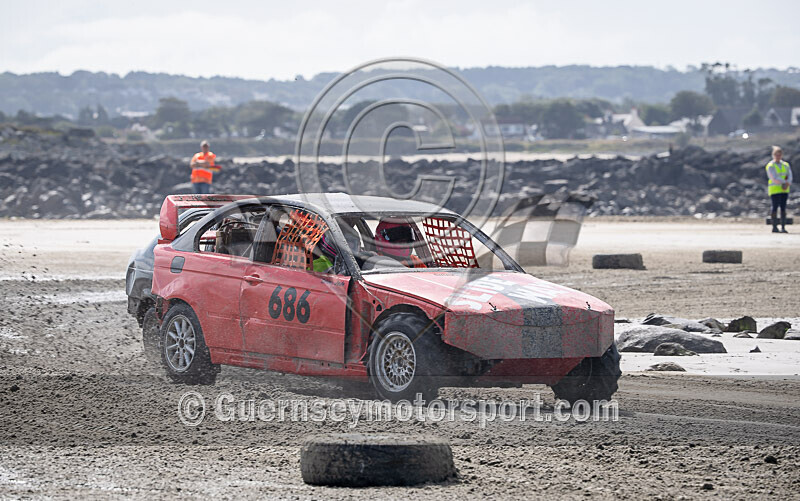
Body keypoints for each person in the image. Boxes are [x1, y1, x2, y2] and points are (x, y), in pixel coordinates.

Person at [766, 145, 792, 233]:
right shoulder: (770, 165)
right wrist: (783, 182)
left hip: (784, 190)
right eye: (776, 155)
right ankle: (774, 227)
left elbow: (789, 175)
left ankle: (783, 227)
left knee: (783, 208)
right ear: (773, 155)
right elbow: (773, 177)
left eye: (779, 155)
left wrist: (788, 182)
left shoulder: (786, 165)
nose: (778, 156)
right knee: (774, 207)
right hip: (775, 190)